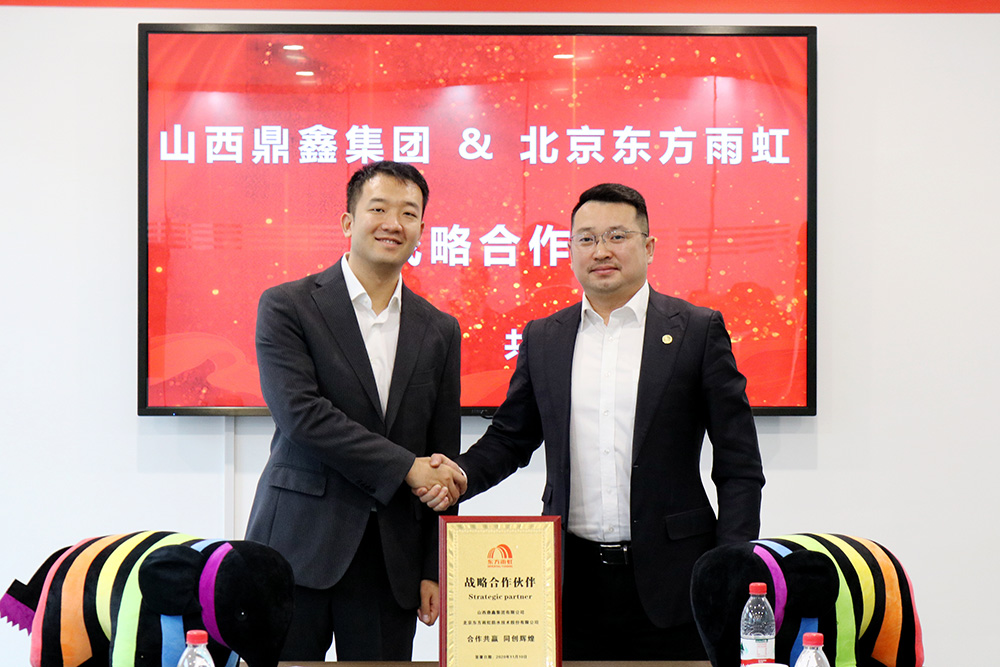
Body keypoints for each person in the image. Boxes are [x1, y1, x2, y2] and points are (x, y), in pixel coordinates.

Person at [418, 183, 765, 660]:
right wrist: (458, 476)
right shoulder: (545, 337)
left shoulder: (697, 331)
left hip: (676, 580)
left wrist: (733, 564)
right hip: (569, 581)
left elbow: (739, 463)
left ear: (649, 246)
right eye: (586, 239)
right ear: (571, 250)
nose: (601, 250)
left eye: (617, 236)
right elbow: (511, 437)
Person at [245, 161, 466, 662]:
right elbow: (301, 415)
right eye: (379, 209)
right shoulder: (287, 306)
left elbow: (442, 453)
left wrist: (435, 564)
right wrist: (405, 467)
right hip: (297, 545)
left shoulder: (439, 328)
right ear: (348, 222)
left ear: (422, 230)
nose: (393, 224)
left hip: (391, 560)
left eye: (408, 213)